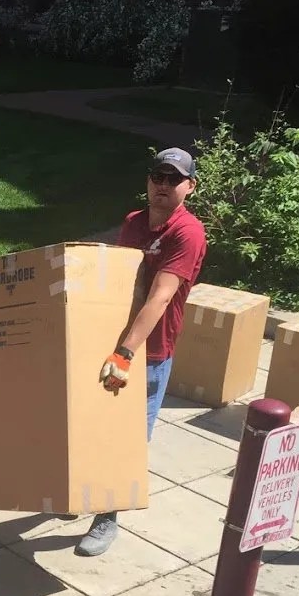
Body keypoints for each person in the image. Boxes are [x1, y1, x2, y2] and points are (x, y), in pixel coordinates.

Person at [77, 147, 208, 557]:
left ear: (190, 185)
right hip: (112, 340)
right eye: (158, 176)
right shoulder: (134, 222)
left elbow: (159, 297)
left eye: (174, 178)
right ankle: (77, 493)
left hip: (147, 353)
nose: (163, 185)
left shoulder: (187, 232)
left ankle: (107, 518)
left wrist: (126, 353)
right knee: (94, 427)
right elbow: (122, 282)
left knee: (127, 439)